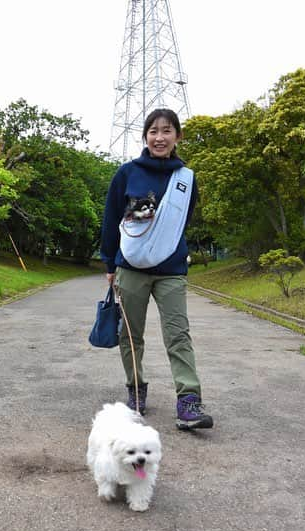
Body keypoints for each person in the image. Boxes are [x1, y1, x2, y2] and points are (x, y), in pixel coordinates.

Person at [99, 108, 213, 430]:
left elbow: (180, 223)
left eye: (167, 131)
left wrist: (166, 248)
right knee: (130, 335)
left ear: (177, 136)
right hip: (131, 269)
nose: (159, 137)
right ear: (145, 136)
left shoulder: (186, 180)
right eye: (153, 131)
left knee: (178, 334)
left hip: (172, 269)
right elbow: (110, 220)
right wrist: (109, 263)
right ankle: (136, 390)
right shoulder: (126, 174)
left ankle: (188, 401)